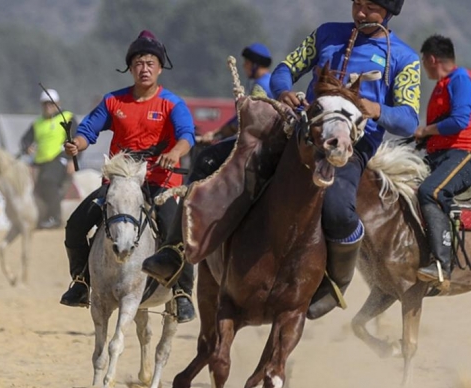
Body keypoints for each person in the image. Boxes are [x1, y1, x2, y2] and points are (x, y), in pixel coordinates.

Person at [142, 0, 420, 321]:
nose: (359, 13)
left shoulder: (404, 59)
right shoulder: (327, 34)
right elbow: (285, 69)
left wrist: (375, 109)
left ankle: (333, 286)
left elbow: (409, 120)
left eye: (369, 8)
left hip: (349, 148)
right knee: (211, 158)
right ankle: (175, 251)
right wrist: (284, 90)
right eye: (356, 3)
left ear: (388, 12)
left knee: (339, 212)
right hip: (302, 131)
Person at [60, 30, 198, 324]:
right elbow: (87, 131)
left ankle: (182, 294)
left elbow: (188, 136)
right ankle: (82, 282)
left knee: (178, 234)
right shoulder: (113, 101)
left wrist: (174, 153)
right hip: (118, 184)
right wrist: (78, 144)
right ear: (130, 67)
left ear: (160, 68)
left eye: (150, 63)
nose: (144, 68)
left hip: (159, 184)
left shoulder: (172, 104)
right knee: (75, 226)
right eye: (138, 63)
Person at [413, 35, 471, 284]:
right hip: (441, 154)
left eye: (423, 61)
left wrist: (426, 131)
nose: (424, 66)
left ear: (432, 59)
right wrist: (425, 139)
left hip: (466, 152)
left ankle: (441, 265)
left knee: (431, 191)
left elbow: (459, 121)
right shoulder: (442, 85)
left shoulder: (461, 79)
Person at [19, 89, 77, 229]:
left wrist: (72, 160)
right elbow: (25, 140)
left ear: (58, 103)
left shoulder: (67, 118)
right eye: (45, 104)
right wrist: (27, 148)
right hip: (39, 162)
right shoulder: (37, 123)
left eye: (51, 103)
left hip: (59, 159)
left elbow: (75, 139)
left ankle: (55, 218)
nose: (48, 106)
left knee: (47, 182)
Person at [197, 43, 275, 145]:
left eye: (246, 62)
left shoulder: (260, 87)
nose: (243, 66)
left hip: (260, 142)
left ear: (255, 65)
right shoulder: (272, 81)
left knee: (207, 157)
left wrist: (215, 134)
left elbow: (243, 119)